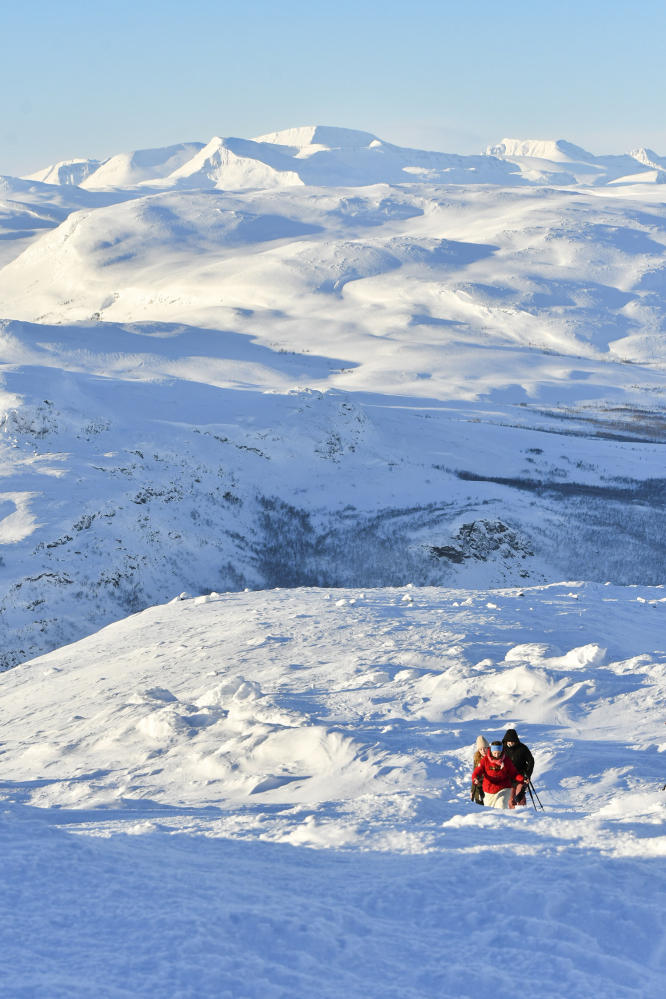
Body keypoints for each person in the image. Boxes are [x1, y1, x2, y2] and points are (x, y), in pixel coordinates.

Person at [471, 740, 528, 809]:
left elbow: (514, 773)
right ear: (491, 752)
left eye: (499, 753)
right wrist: (475, 778)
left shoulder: (506, 760)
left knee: (501, 806)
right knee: (490, 811)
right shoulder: (485, 760)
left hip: (503, 788)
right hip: (488, 789)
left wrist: (522, 779)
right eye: (495, 753)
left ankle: (505, 819)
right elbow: (478, 771)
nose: (497, 755)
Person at [502, 728, 534, 807]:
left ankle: (523, 813)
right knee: (511, 800)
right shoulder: (503, 749)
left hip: (521, 776)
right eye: (509, 741)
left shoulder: (522, 748)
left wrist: (528, 773)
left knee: (520, 798)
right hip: (508, 778)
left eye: (513, 741)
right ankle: (513, 816)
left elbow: (531, 760)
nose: (511, 742)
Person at [471, 736, 489, 805]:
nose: (483, 751)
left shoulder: (493, 758)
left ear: (488, 748)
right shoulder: (477, 759)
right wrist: (472, 791)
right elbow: (474, 774)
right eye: (481, 749)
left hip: (490, 787)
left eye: (485, 749)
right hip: (479, 787)